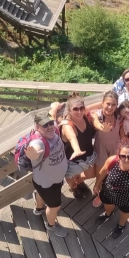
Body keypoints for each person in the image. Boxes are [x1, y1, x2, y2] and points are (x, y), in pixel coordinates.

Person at [25, 109, 69, 238]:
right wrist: (34, 153)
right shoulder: (38, 142)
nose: (49, 126)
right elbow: (35, 149)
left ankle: (39, 209)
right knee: (55, 206)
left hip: (47, 181)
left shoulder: (53, 129)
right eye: (45, 125)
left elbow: (53, 110)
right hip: (47, 184)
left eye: (50, 123)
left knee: (40, 193)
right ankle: (51, 225)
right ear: (37, 127)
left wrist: (57, 106)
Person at [56, 93, 97, 200]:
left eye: (81, 108)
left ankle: (79, 182)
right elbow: (72, 138)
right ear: (69, 110)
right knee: (71, 178)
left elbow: (100, 104)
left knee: (91, 174)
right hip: (72, 160)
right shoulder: (66, 125)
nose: (79, 111)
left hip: (88, 155)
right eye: (75, 109)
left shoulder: (83, 114)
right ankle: (74, 187)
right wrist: (77, 150)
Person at [90, 91, 121, 176]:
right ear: (102, 103)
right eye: (108, 104)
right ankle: (98, 186)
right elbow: (96, 122)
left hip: (115, 146)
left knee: (114, 171)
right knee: (100, 172)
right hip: (101, 147)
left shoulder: (118, 114)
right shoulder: (98, 114)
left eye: (113, 104)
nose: (110, 107)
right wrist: (102, 128)